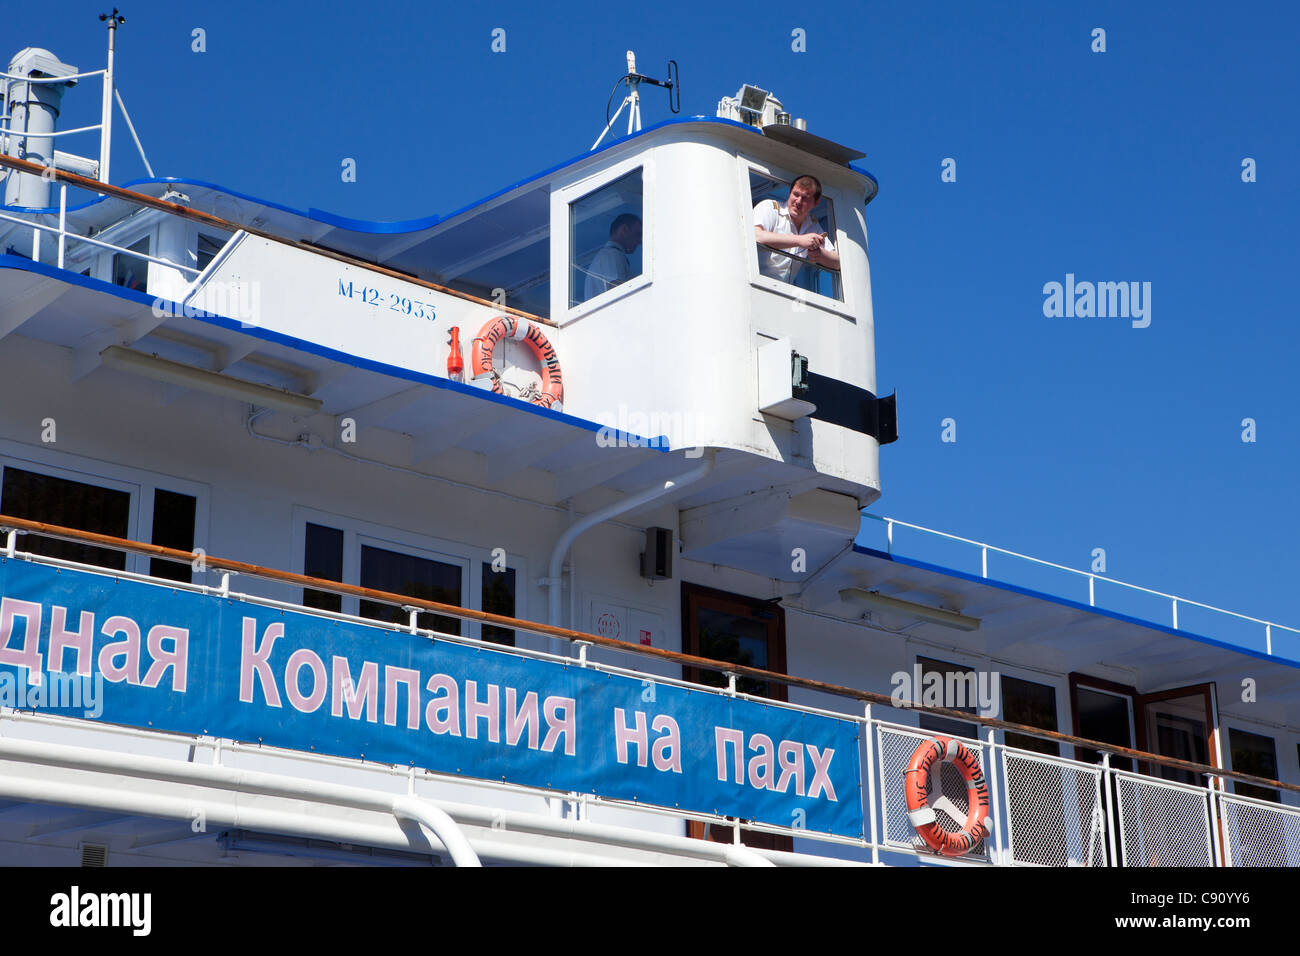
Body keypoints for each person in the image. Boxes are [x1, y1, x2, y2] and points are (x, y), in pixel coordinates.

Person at [753, 175, 839, 283]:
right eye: (796, 194)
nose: (798, 201)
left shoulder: (813, 225)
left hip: (785, 293)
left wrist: (819, 254)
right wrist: (799, 240)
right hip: (757, 284)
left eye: (805, 198)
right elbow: (756, 235)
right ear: (790, 193)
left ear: (816, 203)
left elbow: (838, 262)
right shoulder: (769, 207)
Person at [583, 213, 643, 301]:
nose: (640, 241)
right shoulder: (612, 254)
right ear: (624, 230)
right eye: (638, 234)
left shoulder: (604, 256)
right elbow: (617, 290)